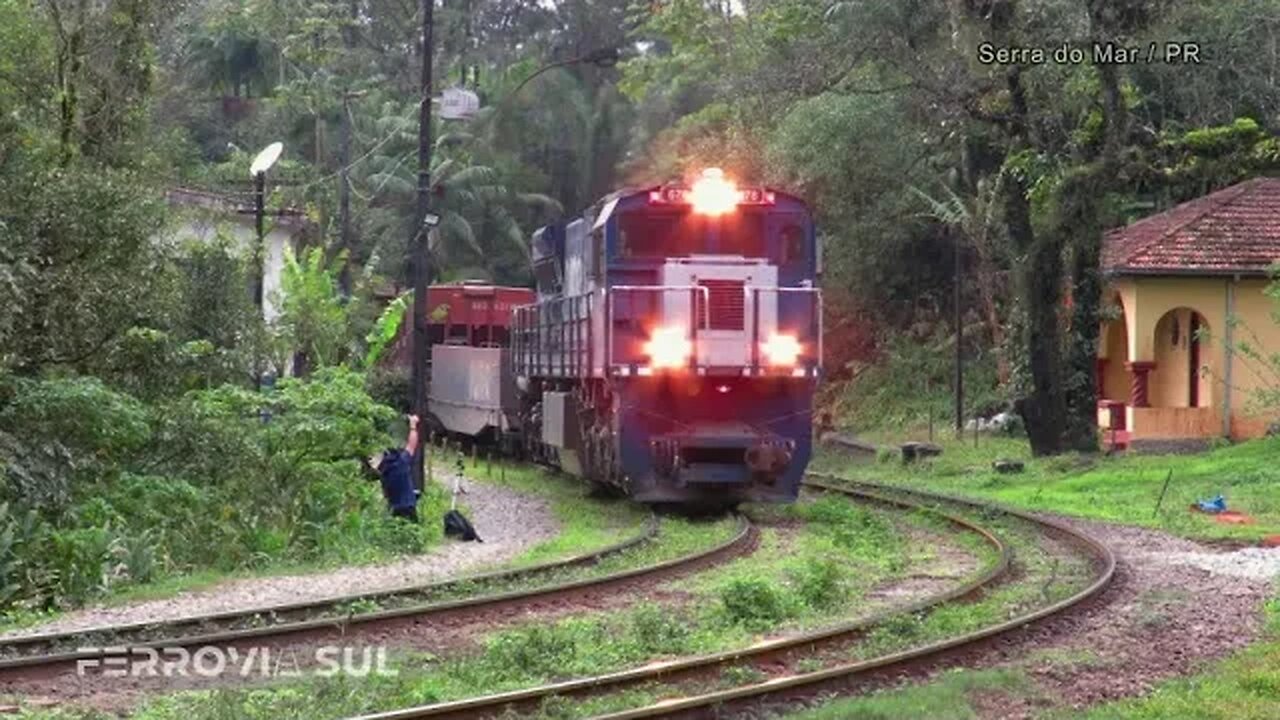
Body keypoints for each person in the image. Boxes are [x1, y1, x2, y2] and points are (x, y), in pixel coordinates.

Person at [367, 414, 421, 523]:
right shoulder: (402, 462)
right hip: (408, 507)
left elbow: (370, 473)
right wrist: (413, 425)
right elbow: (412, 445)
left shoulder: (382, 471)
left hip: (393, 509)